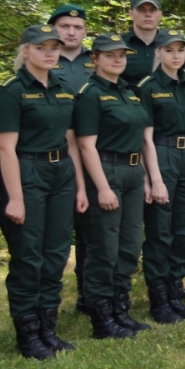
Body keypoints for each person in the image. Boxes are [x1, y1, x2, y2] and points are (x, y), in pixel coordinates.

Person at [0, 24, 88, 359]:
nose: (50, 52)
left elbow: (71, 140)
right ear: (25, 51)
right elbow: (5, 149)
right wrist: (15, 197)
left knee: (56, 253)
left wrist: (78, 185)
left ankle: (48, 329)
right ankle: (28, 336)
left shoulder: (63, 88)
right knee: (28, 255)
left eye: (54, 47)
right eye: (41, 47)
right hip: (27, 171)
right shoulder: (12, 91)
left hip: (61, 171)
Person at [73, 32, 154, 339]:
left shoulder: (129, 92)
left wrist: (146, 176)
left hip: (134, 173)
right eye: (110, 55)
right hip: (107, 172)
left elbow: (141, 139)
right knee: (104, 248)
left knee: (130, 245)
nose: (118, 60)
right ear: (94, 59)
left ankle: (120, 309)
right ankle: (101, 317)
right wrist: (103, 187)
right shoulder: (90, 94)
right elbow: (86, 146)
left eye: (121, 55)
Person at [138, 31, 185, 323]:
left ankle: (175, 293)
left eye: (180, 50)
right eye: (169, 50)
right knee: (160, 231)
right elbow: (145, 137)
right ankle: (159, 300)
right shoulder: (148, 87)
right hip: (161, 156)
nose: (176, 56)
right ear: (158, 53)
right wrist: (153, 178)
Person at [47, 3, 96, 316]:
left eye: (77, 27)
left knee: (93, 228)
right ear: (54, 29)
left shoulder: (98, 59)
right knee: (63, 227)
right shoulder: (45, 59)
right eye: (65, 26)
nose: (71, 32)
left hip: (95, 148)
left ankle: (88, 292)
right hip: (59, 151)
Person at [121, 0, 166, 85]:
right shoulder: (118, 45)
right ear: (131, 14)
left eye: (153, 10)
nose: (148, 14)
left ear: (160, 15)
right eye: (141, 10)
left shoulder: (171, 44)